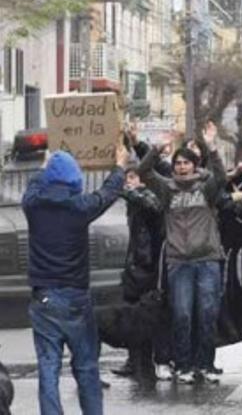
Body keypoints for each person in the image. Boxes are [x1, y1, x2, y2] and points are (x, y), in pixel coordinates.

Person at [23, 143, 128, 415]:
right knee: (86, 366)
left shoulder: (33, 205)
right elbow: (107, 193)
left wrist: (45, 165)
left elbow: (34, 185)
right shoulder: (80, 208)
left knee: (48, 368)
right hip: (75, 298)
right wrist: (119, 166)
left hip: (43, 297)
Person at [137, 127, 227, 385]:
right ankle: (184, 365)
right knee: (182, 315)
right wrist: (155, 149)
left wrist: (211, 147)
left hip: (207, 260)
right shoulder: (167, 189)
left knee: (208, 314)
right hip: (179, 262)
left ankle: (206, 365)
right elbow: (143, 172)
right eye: (177, 163)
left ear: (195, 165)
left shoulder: (206, 187)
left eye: (186, 162)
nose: (182, 167)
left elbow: (221, 177)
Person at [111, 168, 164, 382]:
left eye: (132, 177)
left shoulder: (150, 194)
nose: (128, 182)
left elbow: (153, 207)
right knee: (132, 312)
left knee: (147, 313)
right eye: (126, 178)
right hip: (136, 264)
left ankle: (153, 360)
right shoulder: (133, 203)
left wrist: (129, 191)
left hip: (148, 265)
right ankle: (135, 360)